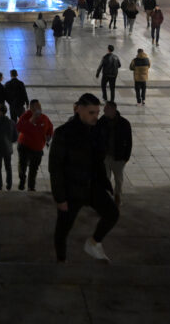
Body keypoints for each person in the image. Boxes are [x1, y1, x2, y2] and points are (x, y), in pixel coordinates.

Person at [49, 92, 117, 262]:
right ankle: (61, 260)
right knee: (63, 229)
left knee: (112, 214)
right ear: (78, 109)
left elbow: (99, 159)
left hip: (92, 185)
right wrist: (60, 198)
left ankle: (94, 243)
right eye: (91, 112)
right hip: (72, 190)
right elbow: (55, 168)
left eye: (97, 113)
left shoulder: (96, 130)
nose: (95, 116)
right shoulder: (63, 133)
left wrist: (105, 183)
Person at [99, 100, 132, 205]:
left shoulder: (124, 123)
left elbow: (129, 141)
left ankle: (117, 195)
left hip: (118, 157)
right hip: (105, 156)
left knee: (118, 179)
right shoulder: (102, 121)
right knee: (105, 178)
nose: (103, 110)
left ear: (113, 110)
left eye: (106, 108)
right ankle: (107, 198)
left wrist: (126, 157)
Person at [17, 99, 54, 192]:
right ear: (31, 108)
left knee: (34, 169)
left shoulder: (44, 118)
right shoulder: (26, 116)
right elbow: (19, 127)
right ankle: (22, 180)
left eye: (39, 106)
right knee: (22, 165)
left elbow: (50, 127)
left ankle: (31, 187)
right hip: (24, 146)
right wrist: (31, 120)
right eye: (36, 107)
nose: (39, 109)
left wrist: (49, 136)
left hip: (37, 149)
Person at [0, 103, 17, 190]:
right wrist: (9, 141)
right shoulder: (11, 122)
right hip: (8, 149)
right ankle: (9, 186)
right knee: (8, 167)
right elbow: (15, 137)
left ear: (0, 112)